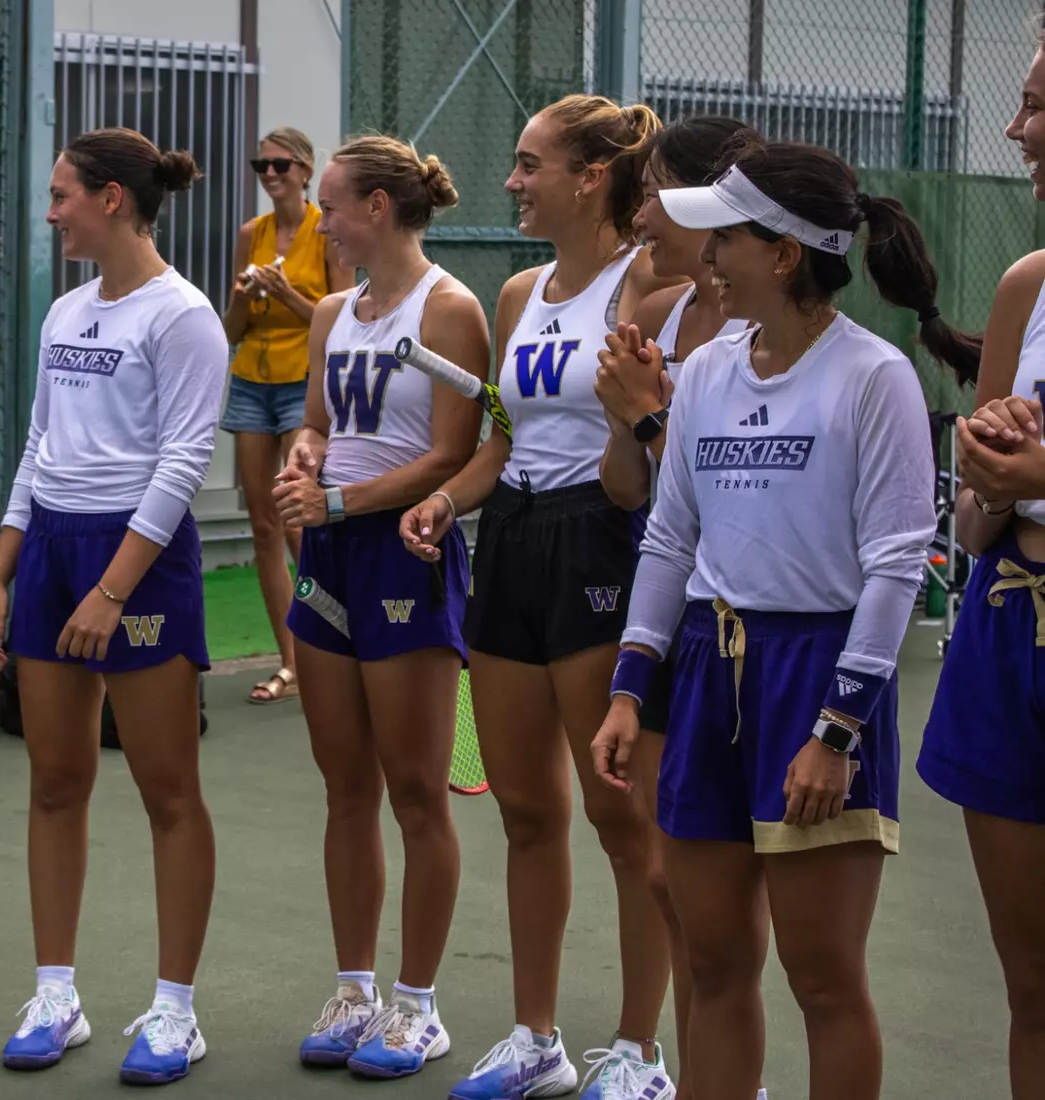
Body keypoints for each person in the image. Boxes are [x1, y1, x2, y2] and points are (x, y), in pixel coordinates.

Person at [591, 139, 977, 1100]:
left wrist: (834, 731)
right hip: (707, 671)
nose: (707, 249)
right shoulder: (711, 373)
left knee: (823, 981)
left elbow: (895, 566)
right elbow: (669, 541)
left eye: (727, 232)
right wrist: (630, 691)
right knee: (715, 967)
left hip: (819, 677)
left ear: (785, 254)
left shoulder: (874, 378)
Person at [402, 94, 680, 1099]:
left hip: (601, 535)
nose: (512, 182)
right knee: (526, 810)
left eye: (528, 165)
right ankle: (537, 1037)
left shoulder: (644, 278)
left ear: (591, 177)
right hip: (511, 539)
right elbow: (501, 444)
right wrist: (444, 497)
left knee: (623, 821)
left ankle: (641, 1050)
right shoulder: (518, 293)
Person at [0, 127, 226, 1086]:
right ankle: (55, 994)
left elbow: (182, 462)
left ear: (112, 199)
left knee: (167, 792)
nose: (51, 210)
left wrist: (114, 590)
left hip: (141, 561)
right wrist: (3, 573)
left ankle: (174, 1012)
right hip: (52, 554)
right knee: (54, 781)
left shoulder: (184, 316)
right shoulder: (66, 312)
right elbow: (39, 448)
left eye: (63, 194)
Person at [275, 134, 488, 1080]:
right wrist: (304, 459)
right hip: (329, 558)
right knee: (345, 786)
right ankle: (353, 989)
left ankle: (417, 1005)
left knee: (413, 790)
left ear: (381, 210)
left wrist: (340, 499)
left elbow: (453, 454)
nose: (321, 219)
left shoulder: (451, 311)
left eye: (333, 204)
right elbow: (320, 421)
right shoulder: (331, 311)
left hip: (404, 554)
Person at [592, 115, 768, 1100]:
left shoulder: (764, 331)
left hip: (753, 629)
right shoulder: (662, 315)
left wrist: (653, 420)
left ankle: (730, 1076)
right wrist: (629, 421)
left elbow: (733, 497)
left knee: (726, 908)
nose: (643, 212)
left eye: (659, 191)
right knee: (670, 878)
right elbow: (633, 491)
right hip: (675, 617)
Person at [918, 30, 1045, 1100]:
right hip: (1008, 628)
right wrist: (993, 479)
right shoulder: (1025, 285)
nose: (1017, 130)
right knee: (1032, 985)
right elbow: (970, 521)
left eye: (1037, 105)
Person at [219, 126, 355, 705]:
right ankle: (289, 661)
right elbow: (231, 331)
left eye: (279, 166)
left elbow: (339, 317)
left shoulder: (326, 231)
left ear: (304, 169)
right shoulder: (253, 234)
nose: (269, 176)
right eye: (261, 166)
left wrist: (286, 293)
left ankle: (335, 639)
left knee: (302, 526)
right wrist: (245, 296)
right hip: (253, 381)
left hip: (305, 384)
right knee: (264, 524)